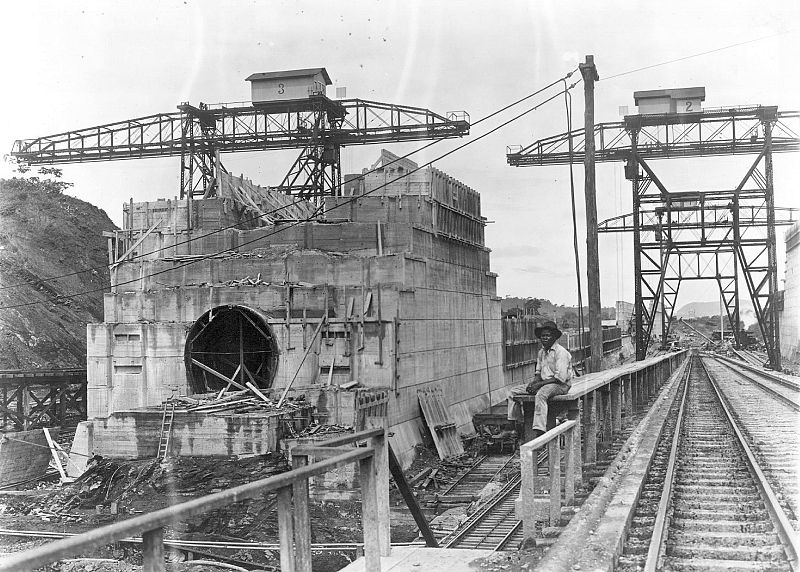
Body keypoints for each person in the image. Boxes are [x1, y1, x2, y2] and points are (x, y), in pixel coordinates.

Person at [507, 320, 573, 440]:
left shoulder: (561, 353)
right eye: (543, 336)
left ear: (554, 337)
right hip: (545, 383)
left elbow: (560, 378)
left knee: (541, 395)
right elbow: (538, 373)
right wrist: (533, 383)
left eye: (548, 336)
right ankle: (513, 423)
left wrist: (539, 385)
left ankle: (540, 429)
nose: (545, 338)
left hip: (560, 385)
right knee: (513, 391)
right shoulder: (541, 352)